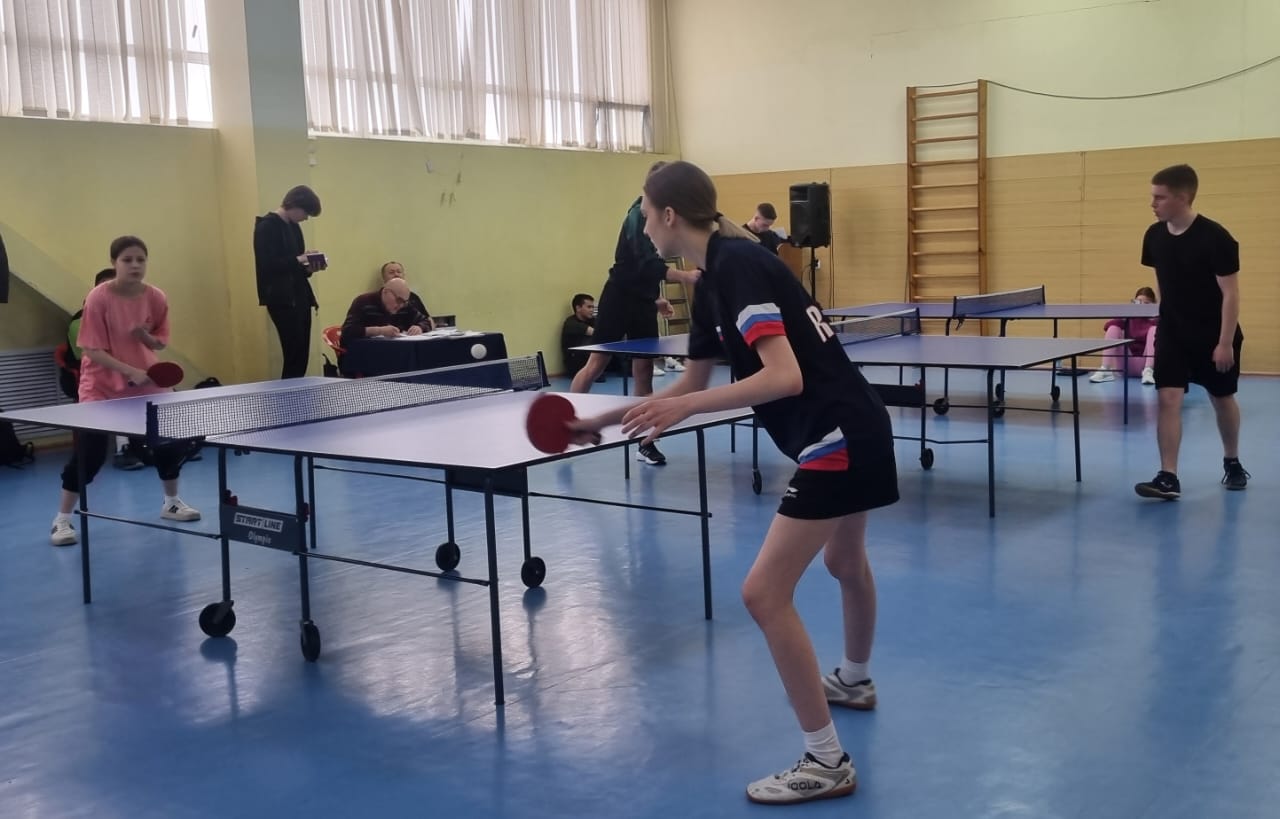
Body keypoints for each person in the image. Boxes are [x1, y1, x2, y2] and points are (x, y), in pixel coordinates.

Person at [569, 161, 898, 805]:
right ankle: (855, 681)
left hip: (836, 435)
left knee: (763, 594)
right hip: (853, 425)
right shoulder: (710, 281)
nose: (642, 224)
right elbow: (692, 382)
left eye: (645, 212)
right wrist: (600, 421)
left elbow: (783, 377)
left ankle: (826, 760)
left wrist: (684, 410)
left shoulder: (739, 266)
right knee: (845, 561)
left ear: (668, 215)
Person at [50, 236, 201, 547]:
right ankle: (62, 520)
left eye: (140, 260)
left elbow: (160, 342)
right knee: (90, 455)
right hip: (101, 384)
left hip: (147, 382)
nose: (135, 265)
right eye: (127, 260)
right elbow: (91, 349)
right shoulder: (98, 297)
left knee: (168, 444)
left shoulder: (156, 296)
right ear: (114, 263)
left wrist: (144, 337)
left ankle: (172, 503)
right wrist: (130, 371)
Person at [568, 161, 701, 466]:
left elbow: (648, 268)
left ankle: (646, 443)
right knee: (596, 364)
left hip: (641, 300)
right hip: (617, 297)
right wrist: (686, 276)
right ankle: (571, 424)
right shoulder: (636, 215)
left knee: (644, 370)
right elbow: (644, 264)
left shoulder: (666, 214)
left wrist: (655, 299)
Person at [1134, 164, 1248, 500]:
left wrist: (1224, 342)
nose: (1152, 203)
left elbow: (1231, 294)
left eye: (1159, 197)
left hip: (1213, 333)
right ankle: (1168, 476)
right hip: (1173, 331)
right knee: (1168, 398)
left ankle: (1232, 461)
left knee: (1221, 398)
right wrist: (1163, 320)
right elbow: (1163, 280)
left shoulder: (1216, 238)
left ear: (1182, 198)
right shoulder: (1153, 236)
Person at [255, 185, 324, 379]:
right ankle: (289, 391)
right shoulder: (266, 226)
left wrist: (309, 267)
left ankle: (297, 388)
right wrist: (299, 259)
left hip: (300, 296)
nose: (306, 218)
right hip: (281, 299)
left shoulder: (294, 228)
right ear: (294, 205)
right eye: (305, 213)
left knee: (302, 353)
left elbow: (296, 267)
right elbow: (267, 265)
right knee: (292, 352)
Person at [1089, 286, 1158, 385]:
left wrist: (1154, 318)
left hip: (1147, 365)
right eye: (1138, 302)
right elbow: (1107, 326)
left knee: (1155, 330)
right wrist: (1124, 316)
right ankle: (1106, 370)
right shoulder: (1129, 317)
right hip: (1126, 364)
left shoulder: (1156, 319)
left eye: (1146, 303)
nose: (1141, 306)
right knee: (1113, 328)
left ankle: (1149, 371)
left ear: (1153, 305)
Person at [339, 277, 431, 348]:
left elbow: (426, 321)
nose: (401, 305)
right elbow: (347, 331)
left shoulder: (404, 306)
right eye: (398, 300)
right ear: (386, 292)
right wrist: (379, 331)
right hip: (364, 352)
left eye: (404, 302)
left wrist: (419, 327)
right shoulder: (363, 302)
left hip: (395, 350)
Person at [379, 260, 433, 326]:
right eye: (391, 272)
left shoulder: (413, 297)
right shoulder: (376, 298)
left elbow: (429, 321)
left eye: (399, 272)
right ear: (384, 277)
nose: (396, 275)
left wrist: (420, 327)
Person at [560, 293, 596, 378]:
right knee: (591, 341)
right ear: (578, 308)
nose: (592, 310)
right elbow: (595, 333)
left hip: (588, 360)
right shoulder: (571, 323)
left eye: (592, 307)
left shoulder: (592, 320)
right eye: (589, 307)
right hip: (574, 363)